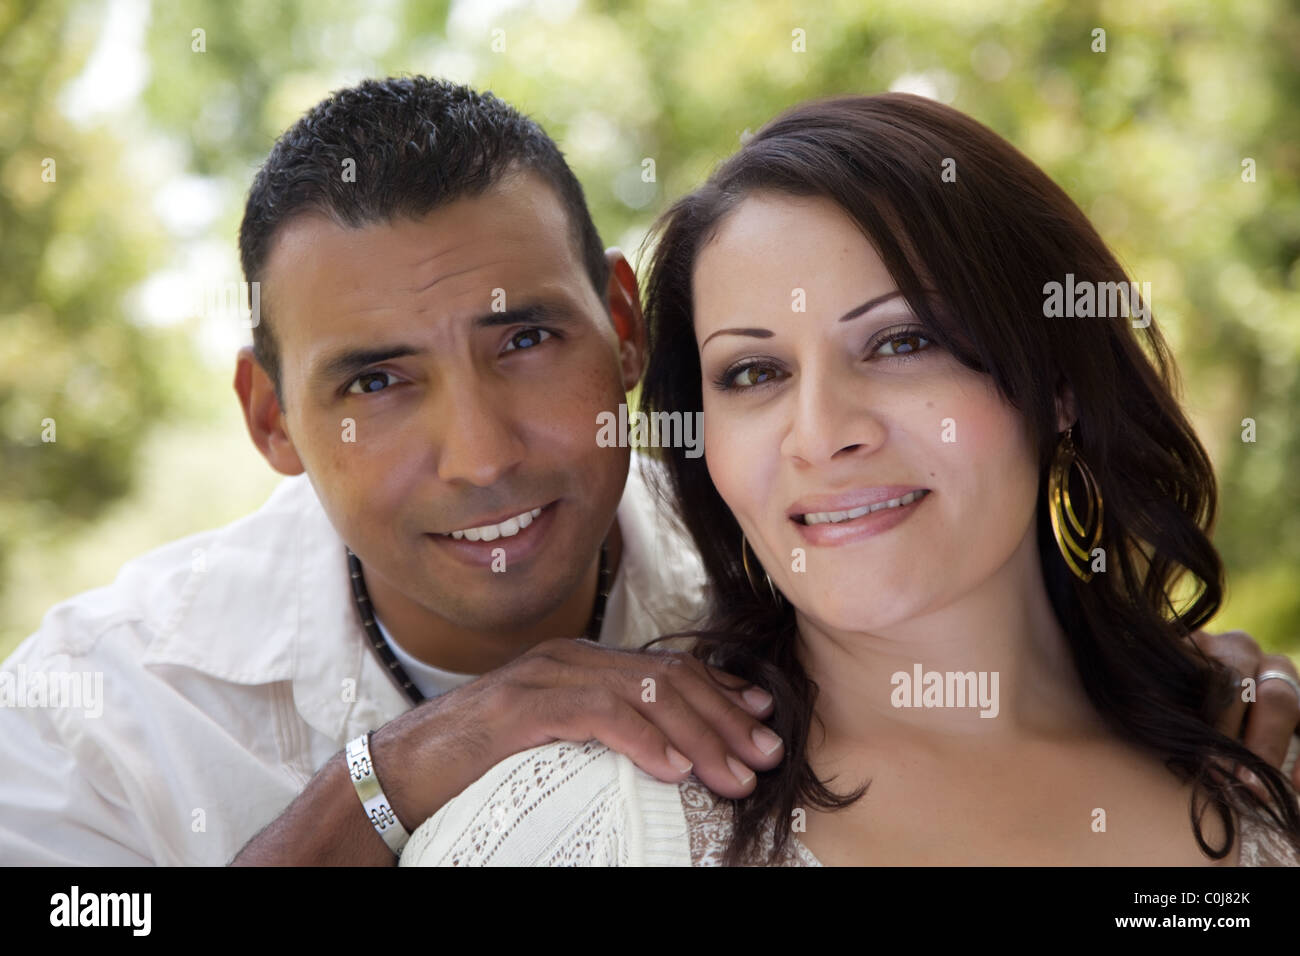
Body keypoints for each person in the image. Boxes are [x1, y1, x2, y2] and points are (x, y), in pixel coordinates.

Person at [399, 93, 1300, 866]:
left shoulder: (1261, 786)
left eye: (902, 343)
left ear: (1058, 383)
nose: (823, 435)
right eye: (754, 373)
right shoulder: (588, 822)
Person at [0, 77, 785, 866]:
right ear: (272, 419)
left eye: (526, 341)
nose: (481, 457)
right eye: (375, 382)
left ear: (622, 327)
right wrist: (384, 782)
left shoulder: (788, 571)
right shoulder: (95, 714)